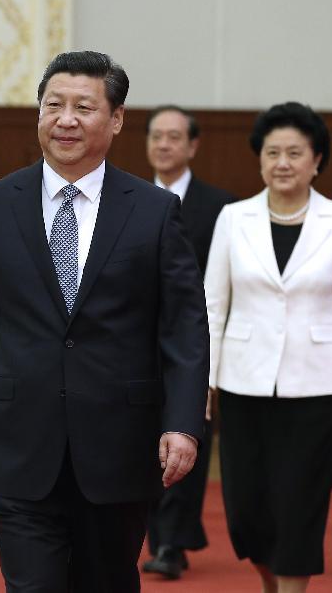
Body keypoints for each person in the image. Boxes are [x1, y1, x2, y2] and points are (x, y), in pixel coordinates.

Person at [0, 51, 208, 593]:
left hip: (119, 446)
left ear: (115, 119)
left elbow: (184, 327)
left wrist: (182, 423)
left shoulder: (154, 210)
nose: (65, 120)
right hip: (18, 441)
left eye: (83, 108)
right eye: (54, 105)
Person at [205, 101, 332, 593]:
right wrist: (204, 380)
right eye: (272, 153)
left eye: (294, 153)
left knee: (300, 501)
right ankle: (271, 580)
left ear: (316, 160)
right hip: (243, 381)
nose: (282, 163)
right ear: (259, 159)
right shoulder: (233, 218)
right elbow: (213, 306)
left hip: (317, 384)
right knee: (247, 508)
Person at [142, 104, 235, 580]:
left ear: (192, 146)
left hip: (193, 341)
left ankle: (173, 541)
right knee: (143, 438)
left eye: (174, 137)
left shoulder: (221, 207)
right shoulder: (129, 197)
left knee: (188, 431)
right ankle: (159, 536)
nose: (163, 144)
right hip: (136, 343)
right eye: (156, 136)